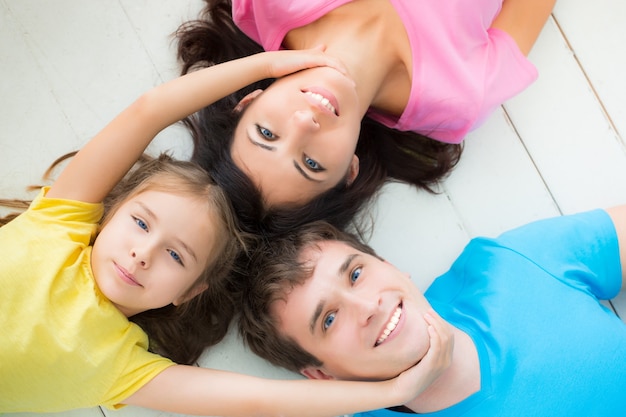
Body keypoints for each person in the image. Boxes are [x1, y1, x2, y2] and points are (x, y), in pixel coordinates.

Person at [0, 49, 453, 416]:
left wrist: (395, 390)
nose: (143, 254)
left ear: (190, 291)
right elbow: (148, 111)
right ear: (110, 212)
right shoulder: (58, 222)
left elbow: (262, 401)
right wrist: (270, 65)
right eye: (140, 223)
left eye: (176, 257)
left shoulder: (122, 365)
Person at [174, 0, 556, 234]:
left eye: (267, 133)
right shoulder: (457, 100)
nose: (305, 124)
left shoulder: (268, 5)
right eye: (310, 162)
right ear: (349, 171)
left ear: (248, 102)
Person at [239, 211, 626, 416]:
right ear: (321, 374)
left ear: (388, 264)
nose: (368, 306)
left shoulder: (505, 265)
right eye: (329, 319)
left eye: (357, 274)